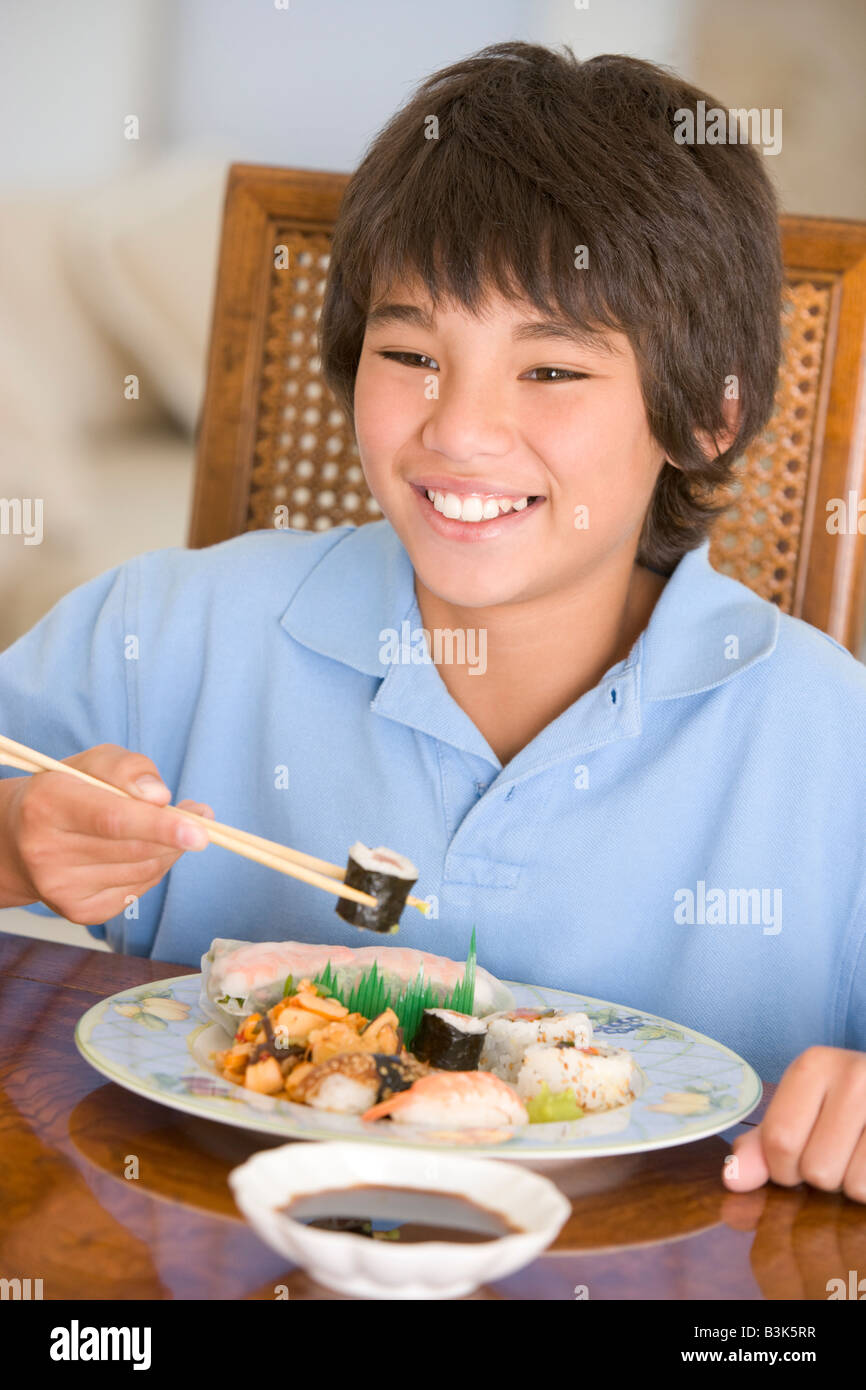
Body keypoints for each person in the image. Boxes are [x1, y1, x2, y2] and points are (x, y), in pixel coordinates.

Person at [0, 43, 864, 1200]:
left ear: (706, 418)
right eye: (409, 354)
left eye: (550, 371)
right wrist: (16, 842)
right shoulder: (170, 633)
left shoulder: (830, 746)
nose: (458, 430)